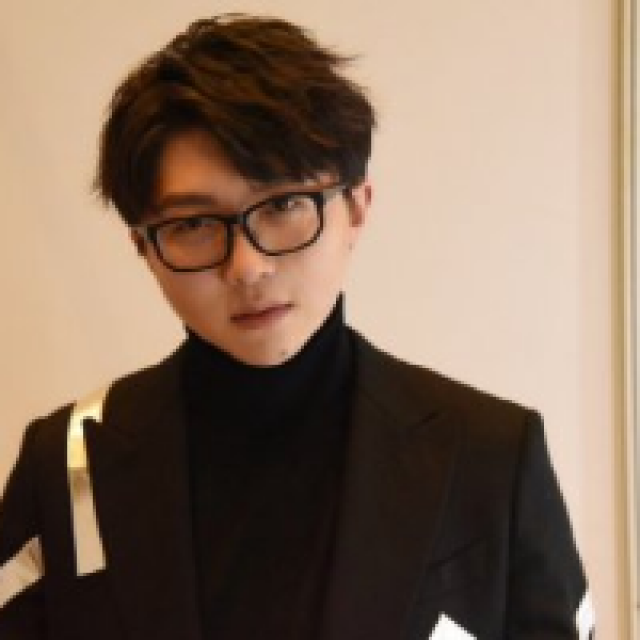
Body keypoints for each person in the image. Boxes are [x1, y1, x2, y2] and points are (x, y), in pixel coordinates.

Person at [0, 14, 594, 640]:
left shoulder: (492, 458)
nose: (246, 267)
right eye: (193, 224)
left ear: (357, 206)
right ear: (143, 247)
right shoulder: (67, 464)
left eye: (283, 205)